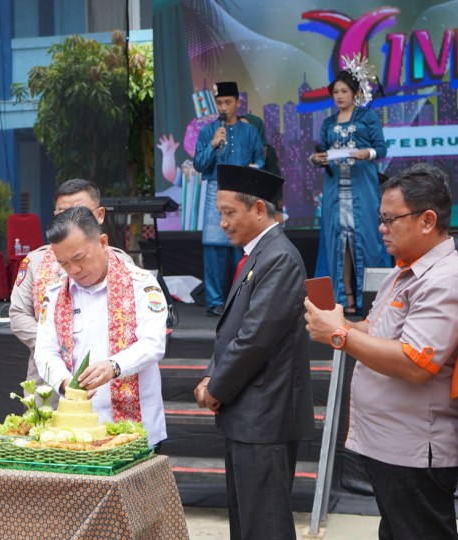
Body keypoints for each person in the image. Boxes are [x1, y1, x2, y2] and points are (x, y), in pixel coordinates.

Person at [305, 163, 458, 540]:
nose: (381, 229)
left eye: (390, 220)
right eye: (381, 219)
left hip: (415, 451)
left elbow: (414, 363)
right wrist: (339, 324)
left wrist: (340, 335)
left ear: (427, 220)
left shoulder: (444, 279)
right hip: (388, 446)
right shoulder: (402, 271)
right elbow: (377, 331)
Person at [194, 164, 313, 539]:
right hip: (248, 413)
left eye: (230, 213)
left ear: (259, 209)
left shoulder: (278, 257)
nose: (223, 223)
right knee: (247, 522)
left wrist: (215, 387)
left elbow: (254, 339)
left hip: (266, 414)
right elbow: (231, 330)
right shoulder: (256, 255)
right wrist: (214, 374)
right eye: (220, 214)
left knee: (266, 524)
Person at [34, 206, 167, 447]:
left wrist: (114, 366)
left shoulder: (141, 284)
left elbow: (153, 344)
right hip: (77, 429)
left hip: (136, 427)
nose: (73, 270)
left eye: (79, 258)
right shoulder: (54, 292)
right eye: (63, 264)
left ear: (103, 242)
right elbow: (45, 352)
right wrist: (65, 383)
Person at [9, 179, 134, 403]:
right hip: (47, 385)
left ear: (100, 215)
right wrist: (56, 341)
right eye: (63, 213)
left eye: (80, 212)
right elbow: (18, 315)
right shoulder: (35, 262)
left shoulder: (121, 263)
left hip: (105, 382)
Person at [309, 55, 389, 315]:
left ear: (354, 92)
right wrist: (316, 159)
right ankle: (346, 299)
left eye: (344, 91)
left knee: (368, 242)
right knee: (338, 245)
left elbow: (381, 149)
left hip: (363, 190)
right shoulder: (329, 123)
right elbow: (323, 153)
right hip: (335, 193)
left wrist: (366, 154)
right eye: (335, 92)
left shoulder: (367, 118)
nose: (339, 96)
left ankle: (375, 299)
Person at [191, 81, 264, 317]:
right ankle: (215, 301)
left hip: (241, 192)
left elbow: (260, 159)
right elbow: (200, 165)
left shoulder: (249, 131)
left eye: (228, 102)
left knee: (241, 247)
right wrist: (213, 144)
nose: (223, 107)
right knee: (213, 247)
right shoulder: (207, 131)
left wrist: (254, 168)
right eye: (220, 103)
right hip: (215, 190)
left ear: (237, 103)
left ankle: (240, 299)